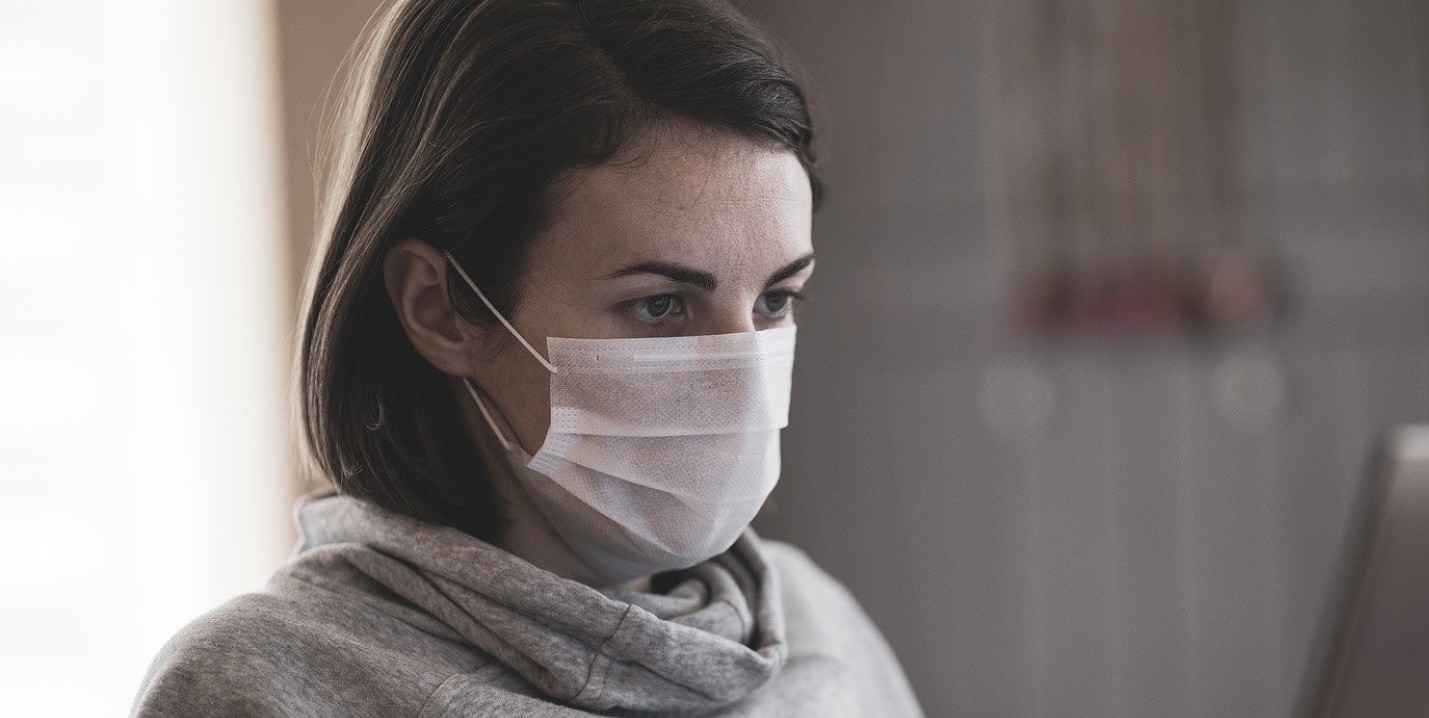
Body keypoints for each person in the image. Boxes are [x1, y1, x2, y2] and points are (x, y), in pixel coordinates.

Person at [132, 0, 922, 715]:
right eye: (659, 306)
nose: (742, 388)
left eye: (774, 301)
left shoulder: (820, 628)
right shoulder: (261, 685)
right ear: (439, 308)